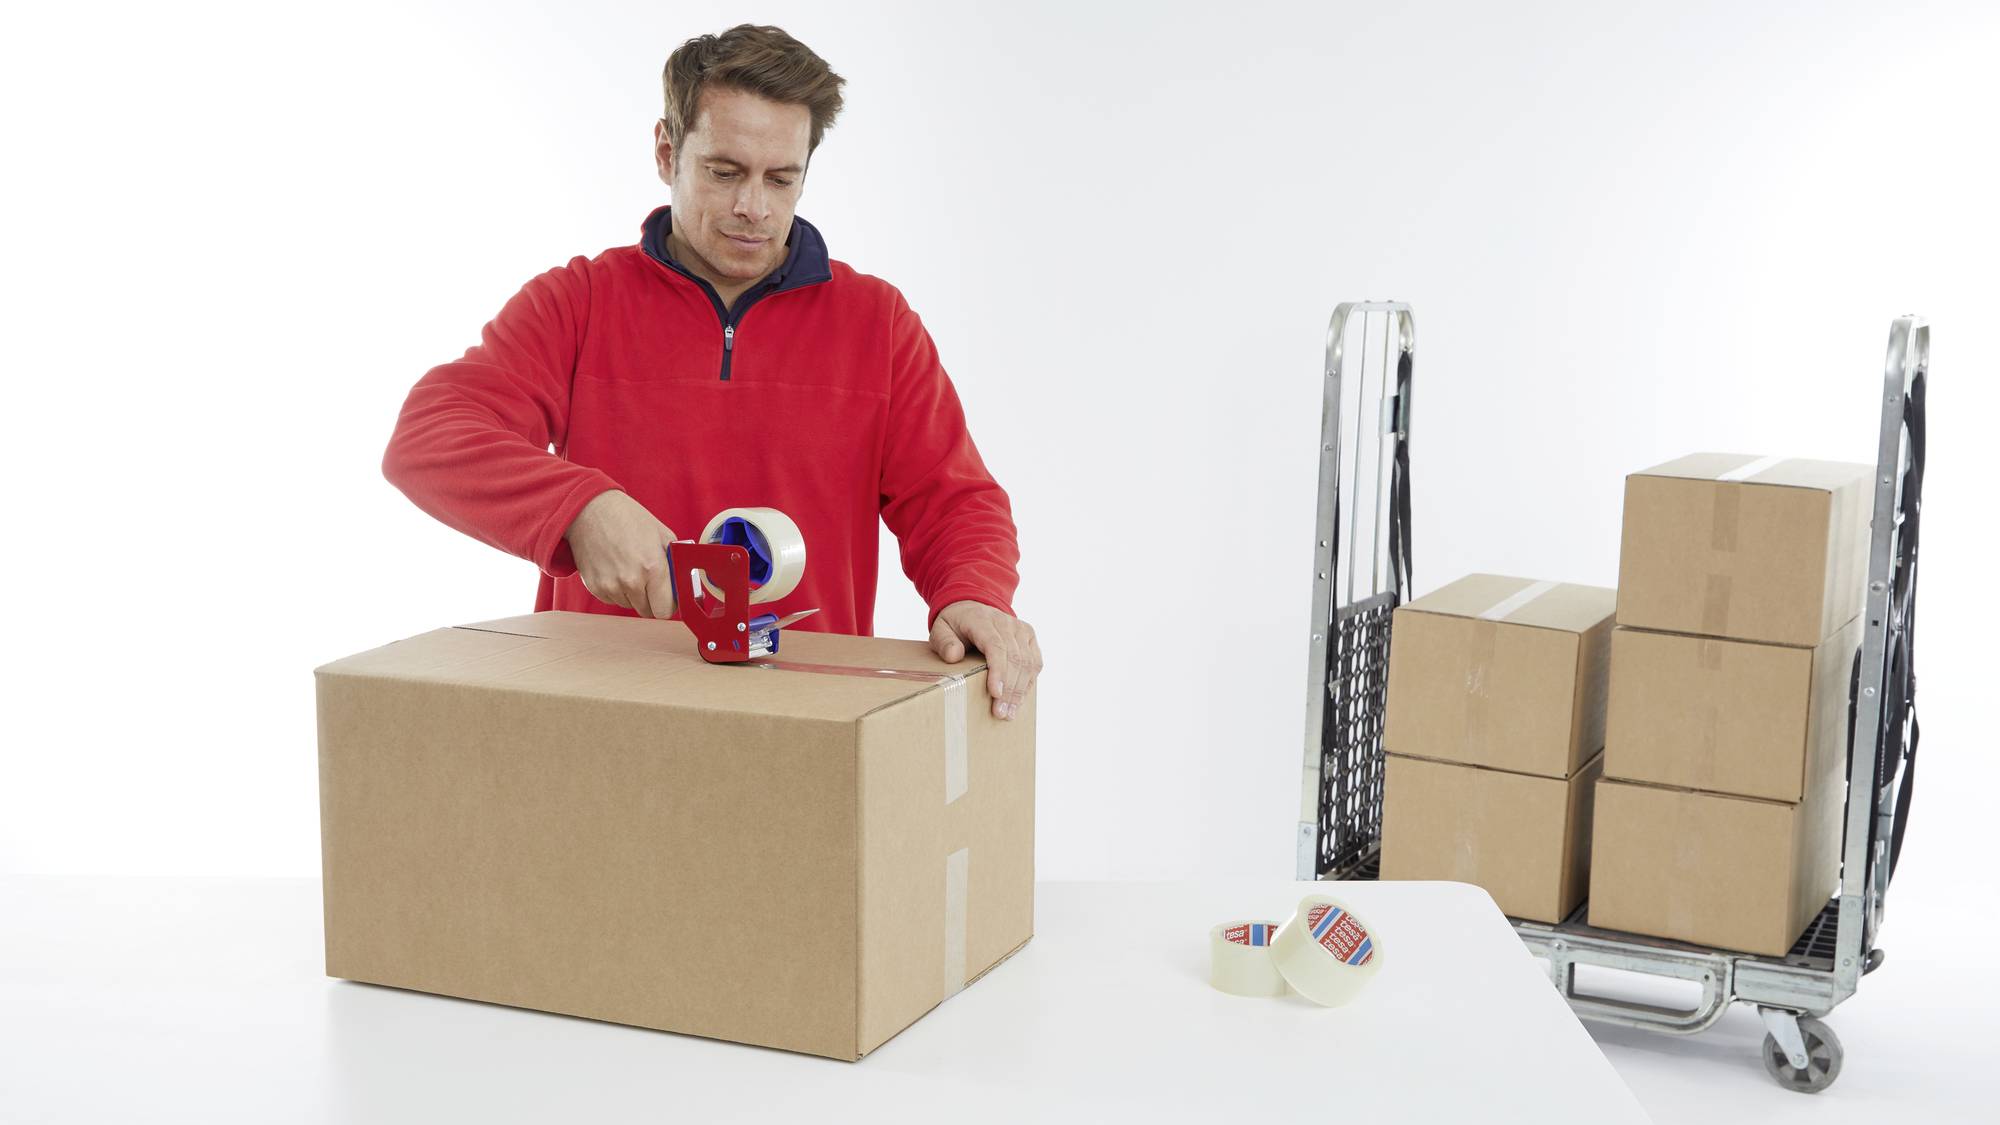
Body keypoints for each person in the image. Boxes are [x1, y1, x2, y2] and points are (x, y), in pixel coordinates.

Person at [381, 24, 1040, 719]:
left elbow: (954, 500)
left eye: (781, 179)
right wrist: (578, 509)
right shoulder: (579, 303)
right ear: (668, 151)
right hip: (596, 720)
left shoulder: (877, 324)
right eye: (724, 172)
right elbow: (427, 438)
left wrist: (973, 592)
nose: (754, 208)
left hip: (806, 727)